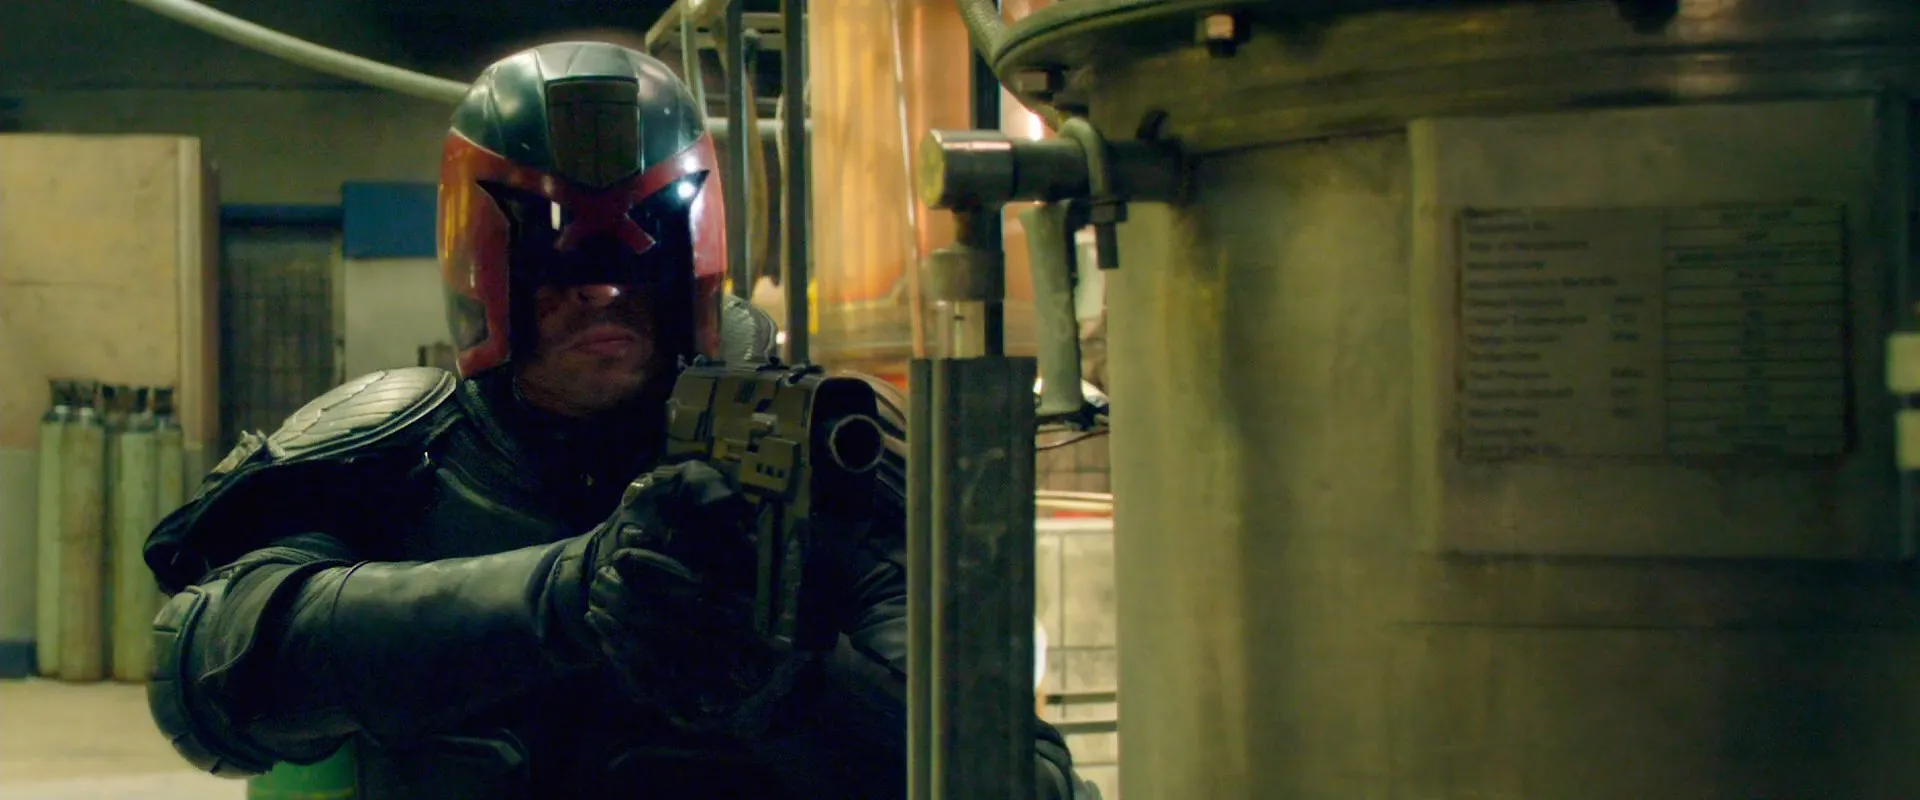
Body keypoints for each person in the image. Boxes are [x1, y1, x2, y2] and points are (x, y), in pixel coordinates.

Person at [142, 41, 1088, 800]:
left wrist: (785, 691)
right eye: (554, 261)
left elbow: (1020, 779)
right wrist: (563, 595)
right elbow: (205, 676)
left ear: (690, 259)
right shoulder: (403, 453)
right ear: (486, 264)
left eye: (638, 257)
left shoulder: (819, 455)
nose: (598, 291)